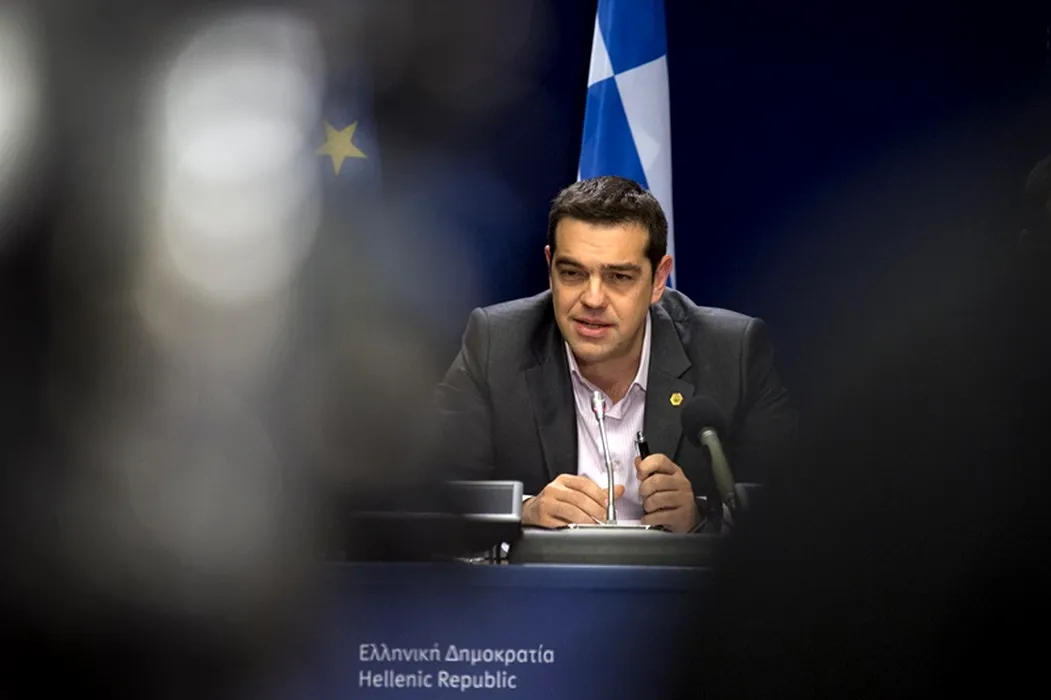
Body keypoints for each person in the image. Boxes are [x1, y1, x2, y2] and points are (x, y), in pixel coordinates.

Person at [430, 175, 797, 533]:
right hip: (545, 576)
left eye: (619, 277)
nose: (592, 299)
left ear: (658, 279)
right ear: (550, 267)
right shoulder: (497, 343)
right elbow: (430, 494)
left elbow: (794, 503)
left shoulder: (732, 352)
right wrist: (526, 510)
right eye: (572, 273)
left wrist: (702, 517)